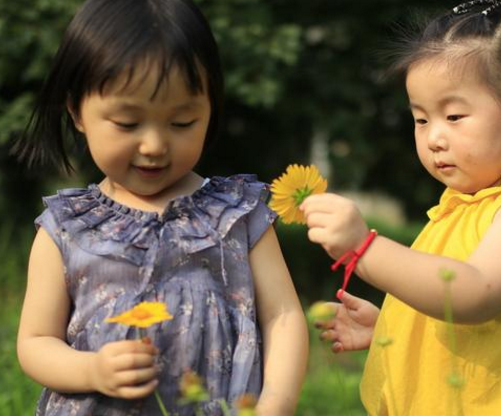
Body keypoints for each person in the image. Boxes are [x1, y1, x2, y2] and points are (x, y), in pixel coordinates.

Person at [14, 0, 308, 415]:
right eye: (128, 124)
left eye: (182, 122)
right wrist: (91, 370)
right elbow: (35, 342)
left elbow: (283, 316)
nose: (154, 145)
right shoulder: (66, 229)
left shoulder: (237, 215)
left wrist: (275, 404)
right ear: (77, 111)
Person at [302, 1, 501, 415]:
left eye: (453, 115)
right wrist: (394, 328)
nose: (434, 138)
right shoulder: (455, 210)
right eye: (421, 119)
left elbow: (472, 294)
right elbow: (452, 307)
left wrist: (364, 248)